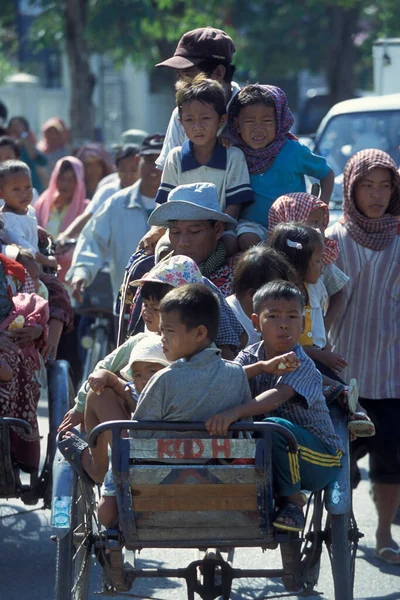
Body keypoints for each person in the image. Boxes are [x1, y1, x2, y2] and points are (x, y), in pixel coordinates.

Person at [59, 284, 251, 488]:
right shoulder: (237, 373)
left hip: (157, 475)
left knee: (96, 396)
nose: (162, 340)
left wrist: (125, 395)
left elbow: (139, 436)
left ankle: (96, 468)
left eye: (168, 331)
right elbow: (246, 426)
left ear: (200, 333)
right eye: (161, 332)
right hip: (220, 473)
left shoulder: (164, 379)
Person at [206, 280, 344, 533]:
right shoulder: (250, 355)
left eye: (292, 316)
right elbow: (229, 377)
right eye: (273, 316)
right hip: (272, 452)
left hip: (317, 458)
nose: (284, 324)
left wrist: (234, 412)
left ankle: (293, 503)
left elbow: (276, 397)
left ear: (302, 323)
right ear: (256, 322)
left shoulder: (302, 362)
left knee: (274, 427)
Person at [325, 149, 400, 564]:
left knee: (391, 464)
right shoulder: (333, 242)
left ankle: (385, 533)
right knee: (341, 466)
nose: (376, 194)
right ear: (351, 189)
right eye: (367, 185)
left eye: (384, 185)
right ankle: (342, 524)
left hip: (393, 376)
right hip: (342, 376)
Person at [58, 255, 203, 433]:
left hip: (185, 434)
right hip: (141, 430)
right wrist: (79, 408)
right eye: (145, 304)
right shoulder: (141, 342)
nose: (147, 312)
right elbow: (103, 366)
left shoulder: (201, 348)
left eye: (156, 308)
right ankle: (102, 459)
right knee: (97, 394)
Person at [120, 183, 244, 357]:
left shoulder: (237, 275)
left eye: (194, 231)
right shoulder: (152, 275)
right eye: (176, 232)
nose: (183, 242)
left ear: (217, 230)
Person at [151, 76, 253, 254]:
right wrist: (156, 231)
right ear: (181, 122)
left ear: (221, 120)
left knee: (229, 244)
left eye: (205, 118)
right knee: (163, 249)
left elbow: (234, 206)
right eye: (189, 120)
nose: (197, 126)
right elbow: (165, 202)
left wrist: (215, 231)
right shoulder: (174, 157)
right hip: (181, 230)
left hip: (221, 229)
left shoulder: (233, 156)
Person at [225, 85, 335, 246]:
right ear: (236, 125)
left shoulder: (293, 150)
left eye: (267, 121)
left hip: (292, 224)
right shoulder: (236, 154)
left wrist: (320, 208)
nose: (258, 129)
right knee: (247, 241)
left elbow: (327, 174)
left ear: (279, 122)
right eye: (249, 121)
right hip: (253, 225)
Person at [66, 134, 164, 305]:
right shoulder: (117, 203)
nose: (155, 167)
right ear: (137, 160)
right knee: (122, 328)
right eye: (149, 160)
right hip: (126, 297)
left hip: (168, 301)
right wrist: (82, 272)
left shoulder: (177, 203)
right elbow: (93, 239)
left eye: (161, 160)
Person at [154, 27, 239, 172]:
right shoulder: (180, 114)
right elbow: (170, 173)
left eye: (189, 75)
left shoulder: (250, 110)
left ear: (218, 73)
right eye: (180, 76)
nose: (181, 83)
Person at [268, 191, 350, 330]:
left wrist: (325, 326)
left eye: (320, 223)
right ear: (290, 218)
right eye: (313, 222)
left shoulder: (322, 260)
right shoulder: (269, 263)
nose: (318, 229)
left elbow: (339, 291)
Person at [0, 253, 49, 473]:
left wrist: (37, 329)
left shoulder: (9, 267)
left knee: (15, 363)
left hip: (6, 335)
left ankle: (8, 449)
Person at [57, 144, 140, 242]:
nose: (128, 176)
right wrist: (66, 235)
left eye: (133, 170)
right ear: (116, 169)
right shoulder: (108, 192)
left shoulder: (149, 192)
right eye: (123, 170)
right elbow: (88, 216)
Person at [226, 245, 294, 349]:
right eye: (276, 295)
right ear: (252, 295)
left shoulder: (274, 313)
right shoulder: (231, 320)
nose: (281, 300)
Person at [34, 156, 88, 284]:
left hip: (72, 280)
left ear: (79, 182)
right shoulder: (42, 205)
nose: (65, 184)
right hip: (43, 277)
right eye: (61, 178)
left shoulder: (86, 210)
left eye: (71, 180)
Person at [0, 160, 57, 270]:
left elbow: (26, 224)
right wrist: (47, 261)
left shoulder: (28, 209)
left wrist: (36, 229)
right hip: (22, 276)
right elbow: (26, 249)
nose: (24, 193)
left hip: (36, 268)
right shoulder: (8, 221)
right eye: (16, 189)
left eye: (28, 187)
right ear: (1, 193)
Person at [8, 116, 48, 193]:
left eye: (19, 126)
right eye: (13, 126)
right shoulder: (6, 145)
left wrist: (24, 138)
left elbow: (34, 157)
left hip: (33, 186)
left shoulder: (29, 145)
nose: (16, 128)